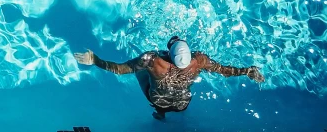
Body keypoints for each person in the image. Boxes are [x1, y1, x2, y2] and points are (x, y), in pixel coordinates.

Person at [74, 36, 265, 120]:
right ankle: (176, 115)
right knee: (179, 103)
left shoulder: (152, 61)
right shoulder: (199, 61)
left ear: (168, 53)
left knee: (139, 70)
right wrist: (247, 71)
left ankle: (160, 116)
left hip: (158, 100)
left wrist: (96, 60)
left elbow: (120, 69)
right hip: (183, 102)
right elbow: (224, 70)